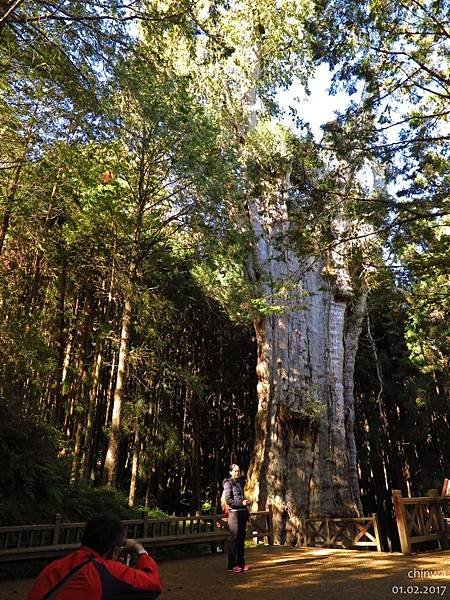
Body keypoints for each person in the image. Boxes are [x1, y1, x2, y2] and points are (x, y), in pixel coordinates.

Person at [27, 512, 162, 600]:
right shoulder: (104, 571)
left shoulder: (53, 567)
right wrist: (139, 549)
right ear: (114, 550)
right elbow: (153, 584)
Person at [223, 463, 250, 573]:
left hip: (242, 513)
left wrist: (246, 504)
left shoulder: (240, 482)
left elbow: (241, 498)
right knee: (234, 539)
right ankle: (231, 565)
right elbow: (228, 500)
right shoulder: (228, 483)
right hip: (234, 514)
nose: (237, 473)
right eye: (235, 471)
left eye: (238, 471)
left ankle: (241, 563)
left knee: (241, 539)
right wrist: (241, 503)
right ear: (230, 472)